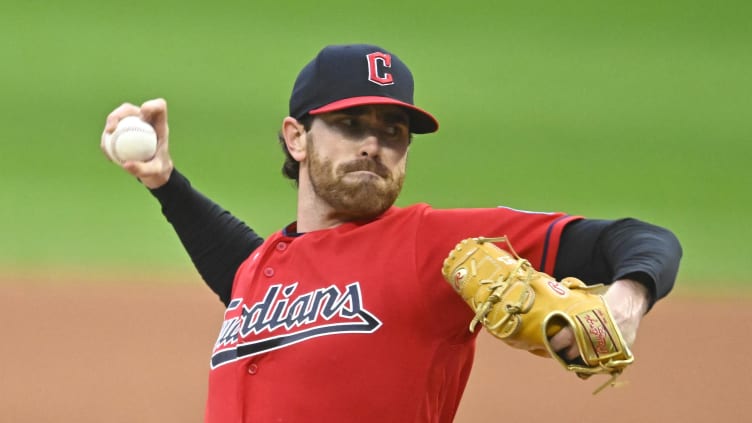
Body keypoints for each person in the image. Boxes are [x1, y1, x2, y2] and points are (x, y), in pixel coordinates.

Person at [101, 44, 682, 422]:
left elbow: (640, 239)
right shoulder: (268, 270)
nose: (373, 144)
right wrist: (166, 183)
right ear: (296, 138)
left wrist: (627, 299)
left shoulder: (434, 245)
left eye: (393, 130)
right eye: (349, 124)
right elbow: (240, 268)